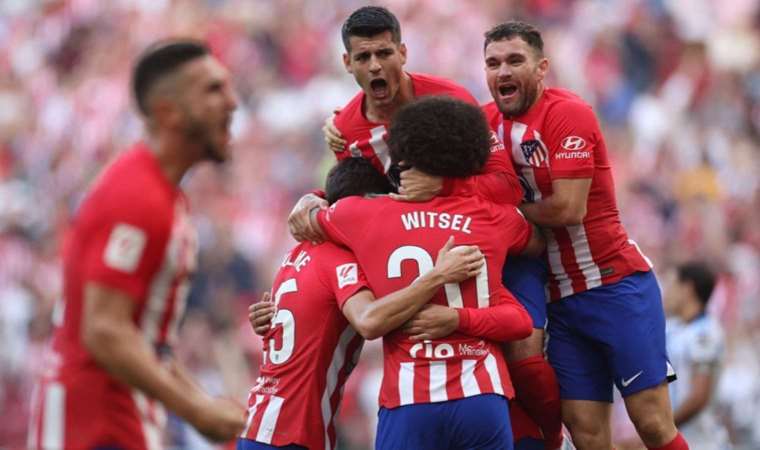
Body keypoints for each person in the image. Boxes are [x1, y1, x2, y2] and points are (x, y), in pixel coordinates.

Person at [306, 7, 563, 448]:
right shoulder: (347, 127)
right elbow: (354, 189)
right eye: (364, 57)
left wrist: (446, 187)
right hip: (418, 245)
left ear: (403, 53)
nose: (375, 66)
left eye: (384, 53)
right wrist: (312, 199)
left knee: (523, 355)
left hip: (482, 240)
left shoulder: (450, 99)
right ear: (347, 63)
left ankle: (552, 438)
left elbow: (506, 187)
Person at [26, 40, 245, 450]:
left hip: (113, 420)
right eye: (213, 90)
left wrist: (203, 402)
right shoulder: (137, 196)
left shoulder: (161, 194)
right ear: (168, 112)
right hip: (93, 427)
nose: (232, 103)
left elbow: (141, 339)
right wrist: (197, 412)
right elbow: (104, 329)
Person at [478, 21, 685, 450]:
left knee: (651, 423)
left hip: (614, 286)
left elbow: (568, 209)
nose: (503, 71)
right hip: (561, 302)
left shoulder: (567, 113)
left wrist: (499, 216)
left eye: (515, 60)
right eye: (493, 64)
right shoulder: (484, 124)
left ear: (541, 68)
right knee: (587, 434)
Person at [239, 159, 487, 450]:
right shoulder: (341, 257)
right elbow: (369, 321)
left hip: (261, 423)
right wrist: (438, 276)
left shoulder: (294, 254)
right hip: (292, 433)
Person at [664, 262, 729, 450]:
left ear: (687, 289)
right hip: (677, 437)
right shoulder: (672, 328)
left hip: (702, 442)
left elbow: (699, 397)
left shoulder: (706, 333)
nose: (666, 293)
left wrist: (662, 427)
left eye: (672, 285)